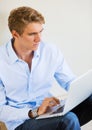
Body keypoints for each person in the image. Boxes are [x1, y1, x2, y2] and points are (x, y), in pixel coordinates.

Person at [0, 6, 91, 130]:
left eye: (40, 31)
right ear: (15, 34)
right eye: (32, 34)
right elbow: (1, 110)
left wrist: (85, 88)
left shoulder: (50, 51)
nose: (39, 39)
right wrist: (35, 111)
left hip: (50, 112)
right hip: (22, 121)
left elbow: (70, 82)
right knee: (68, 120)